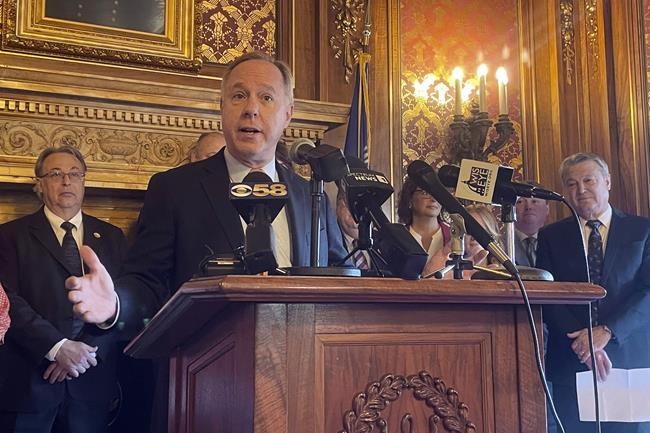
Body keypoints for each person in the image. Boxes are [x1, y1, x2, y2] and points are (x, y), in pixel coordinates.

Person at [63, 52, 348, 429]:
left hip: (302, 385)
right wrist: (114, 304)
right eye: (238, 96)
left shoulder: (313, 197)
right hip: (204, 388)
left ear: (288, 113)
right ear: (221, 107)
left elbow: (341, 280)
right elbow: (147, 282)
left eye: (266, 97)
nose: (251, 109)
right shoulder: (175, 189)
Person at [0, 146, 127, 433]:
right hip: (29, 383)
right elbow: (8, 301)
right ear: (39, 184)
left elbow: (123, 302)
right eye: (56, 174)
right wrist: (57, 348)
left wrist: (81, 354)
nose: (66, 181)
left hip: (91, 383)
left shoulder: (112, 237)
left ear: (84, 181)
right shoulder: (8, 235)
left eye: (74, 174)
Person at [537, 152, 650, 433]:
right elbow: (547, 294)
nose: (581, 190)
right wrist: (584, 342)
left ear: (607, 182)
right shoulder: (551, 236)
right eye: (571, 184)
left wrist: (607, 331)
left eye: (589, 180)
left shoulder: (642, 230)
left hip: (629, 359)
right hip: (573, 362)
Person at [397, 175, 451, 258]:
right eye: (425, 193)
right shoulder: (398, 238)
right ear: (410, 199)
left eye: (437, 193)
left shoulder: (454, 237)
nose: (433, 199)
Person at [514, 181, 550, 266]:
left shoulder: (559, 243)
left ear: (547, 208)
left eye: (534, 201)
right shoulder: (500, 245)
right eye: (520, 202)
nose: (528, 207)